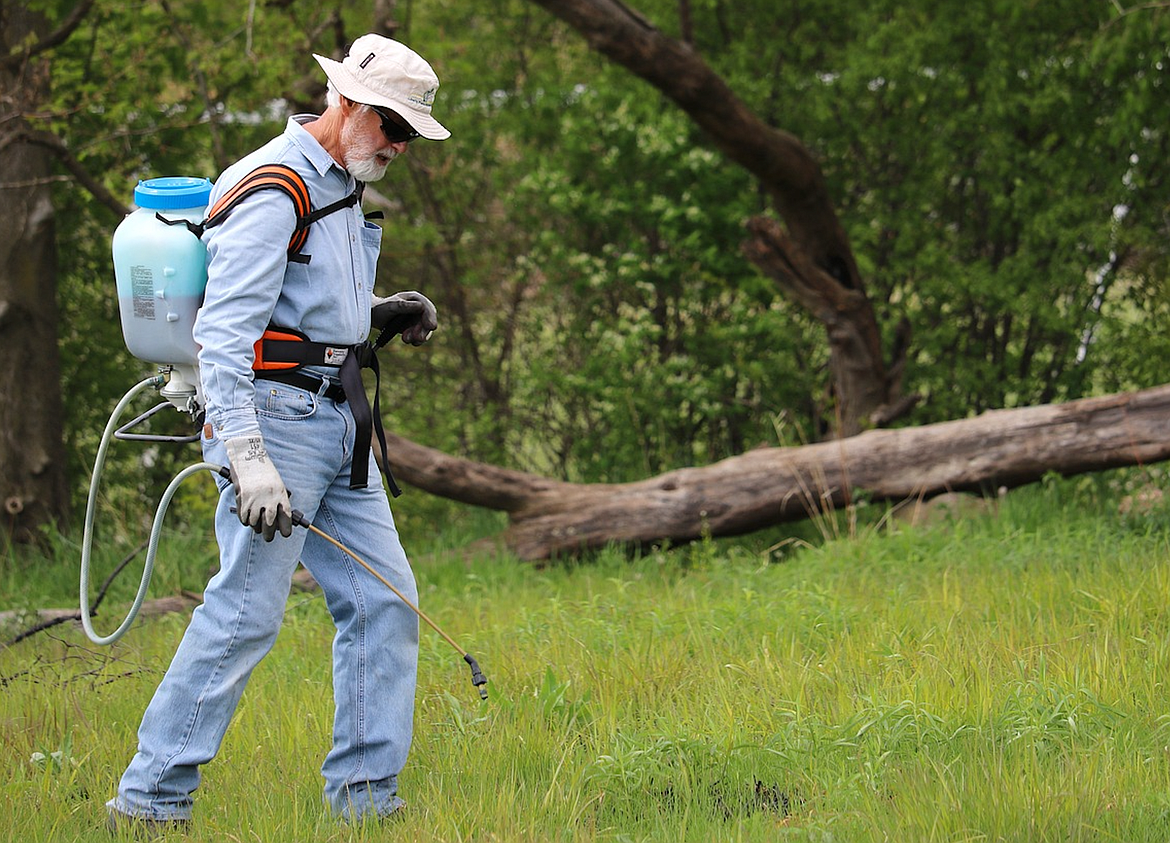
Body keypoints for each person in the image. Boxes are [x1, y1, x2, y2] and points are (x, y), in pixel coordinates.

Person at [106, 34, 448, 830]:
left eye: (409, 135)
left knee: (385, 601)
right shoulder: (274, 186)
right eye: (391, 127)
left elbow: (308, 310)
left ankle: (367, 803)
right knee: (245, 614)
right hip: (274, 425)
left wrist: (381, 313)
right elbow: (222, 340)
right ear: (349, 103)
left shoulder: (339, 181)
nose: (398, 147)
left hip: (335, 416)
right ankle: (149, 801)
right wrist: (249, 458)